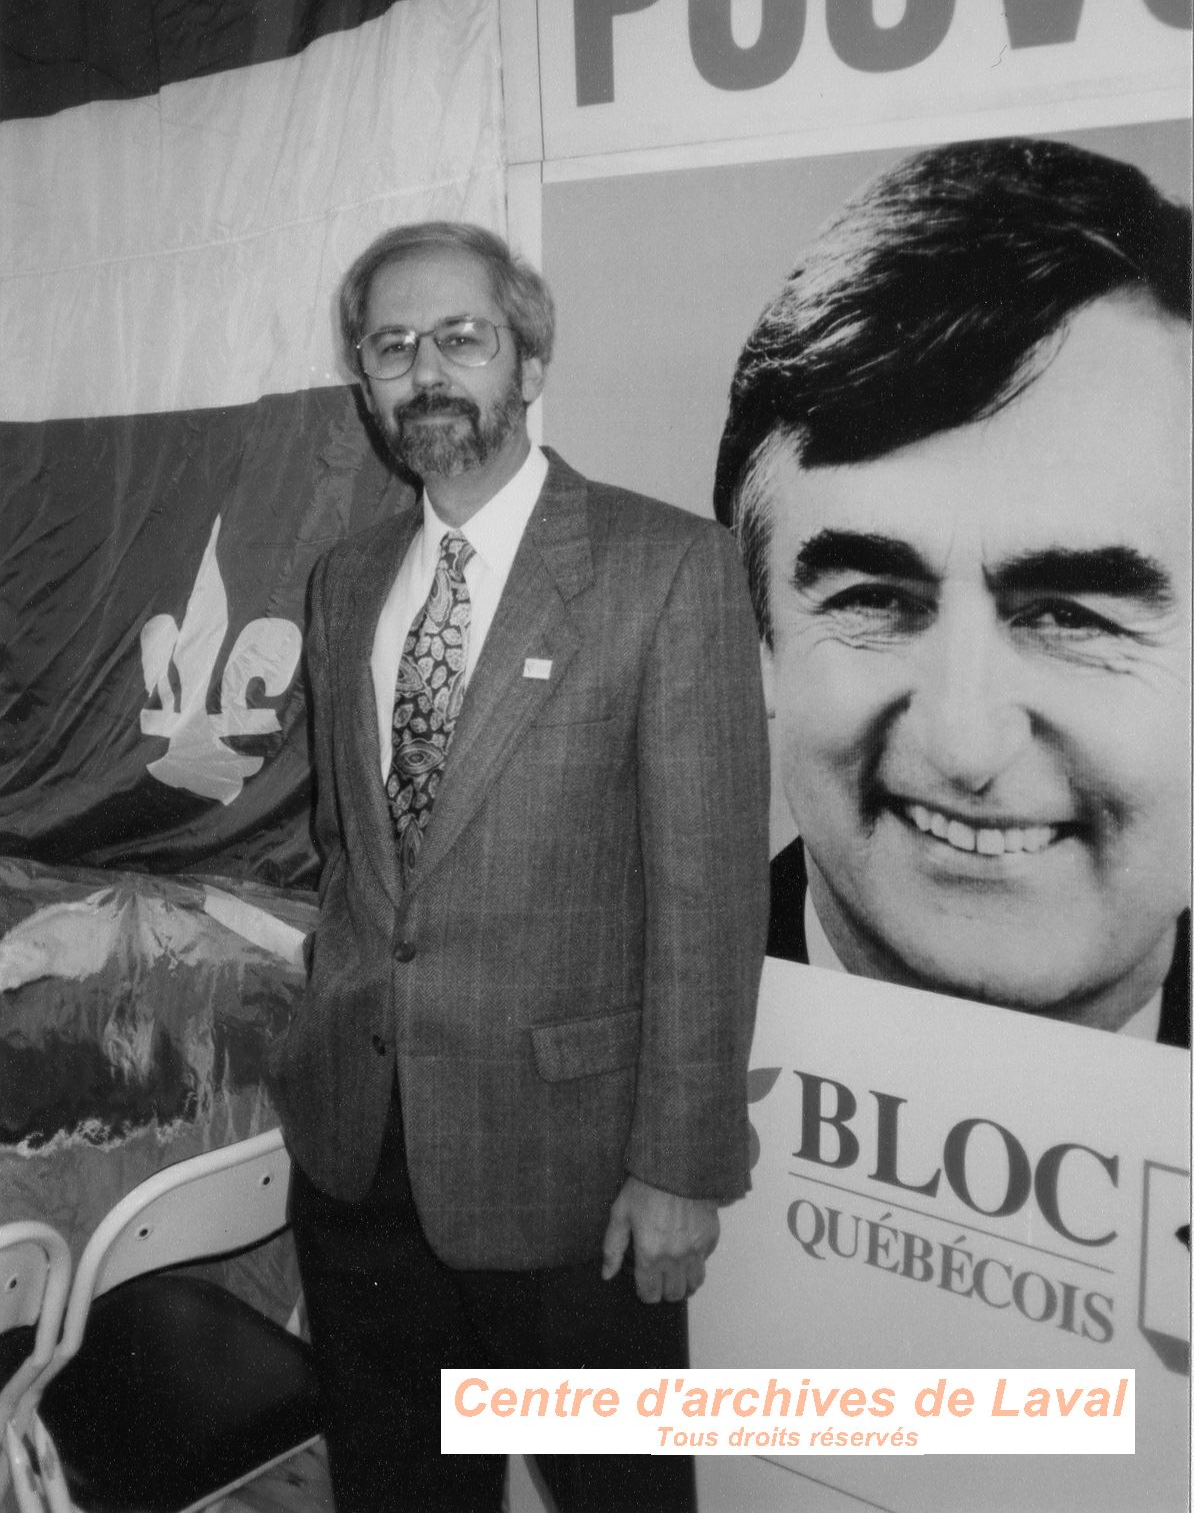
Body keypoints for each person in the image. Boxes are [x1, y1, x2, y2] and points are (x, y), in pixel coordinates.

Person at [270, 221, 770, 1511]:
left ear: (530, 361)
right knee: (397, 1492)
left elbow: (711, 901)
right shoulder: (345, 583)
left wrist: (681, 1165)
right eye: (392, 347)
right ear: (364, 386)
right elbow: (352, 855)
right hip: (359, 1167)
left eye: (461, 338)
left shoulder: (667, 570)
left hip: (573, 1180)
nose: (426, 371)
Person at [714, 137, 1190, 1045]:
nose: (963, 745)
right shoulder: (616, 1022)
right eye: (874, 600)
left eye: (1072, 616)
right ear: (756, 642)